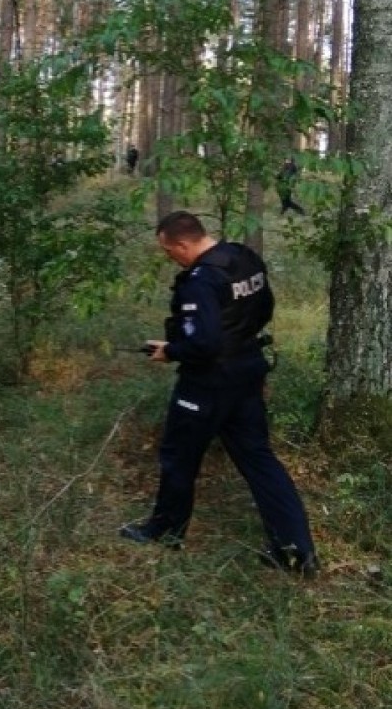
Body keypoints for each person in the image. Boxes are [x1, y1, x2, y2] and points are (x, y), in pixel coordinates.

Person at [119, 210, 318, 577]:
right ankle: (296, 551)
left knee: (178, 455)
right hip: (247, 369)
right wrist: (231, 342)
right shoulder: (241, 257)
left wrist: (172, 351)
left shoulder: (201, 280)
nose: (170, 258)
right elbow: (264, 309)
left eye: (168, 252)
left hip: (208, 382)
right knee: (259, 459)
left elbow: (206, 342)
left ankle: (165, 531)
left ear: (182, 243)